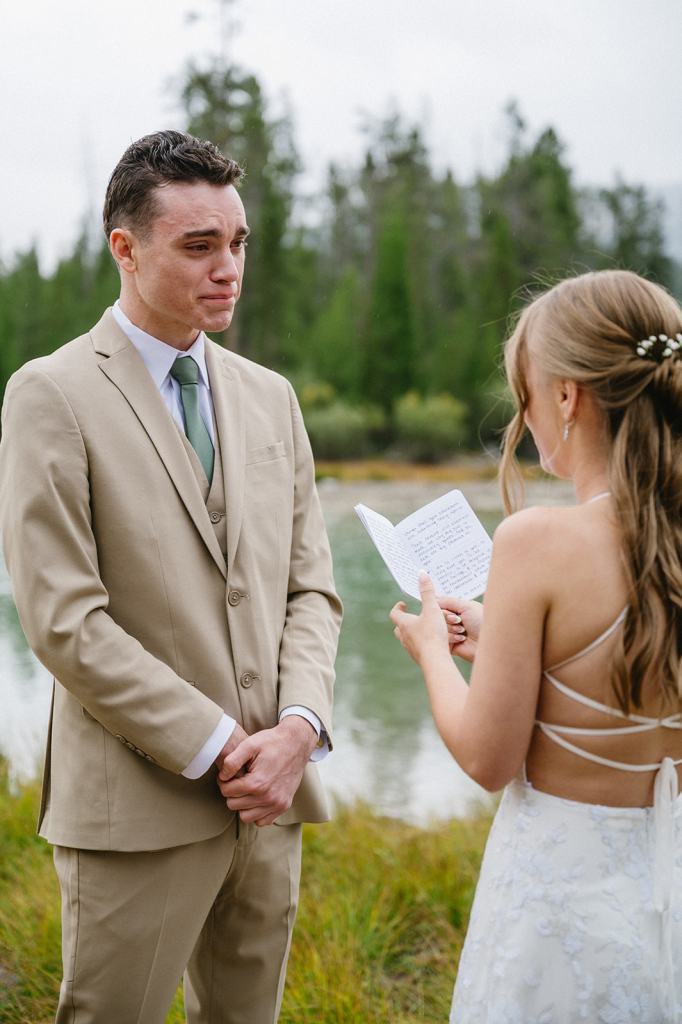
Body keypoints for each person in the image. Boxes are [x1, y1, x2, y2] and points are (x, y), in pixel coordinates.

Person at [0, 129, 342, 1024]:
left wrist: (299, 729)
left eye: (238, 244)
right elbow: (65, 622)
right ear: (126, 247)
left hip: (273, 800)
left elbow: (311, 589)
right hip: (138, 809)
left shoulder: (273, 397)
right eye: (199, 246)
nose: (228, 267)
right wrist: (221, 746)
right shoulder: (52, 394)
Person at [390, 269, 682, 1022]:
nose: (526, 414)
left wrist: (431, 649)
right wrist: (508, 647)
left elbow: (488, 759)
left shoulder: (539, 541)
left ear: (566, 395)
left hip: (560, 914)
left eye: (525, 393)